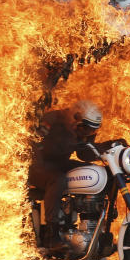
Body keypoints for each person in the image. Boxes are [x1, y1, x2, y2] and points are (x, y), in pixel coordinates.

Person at [28, 100, 107, 248]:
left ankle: (93, 224)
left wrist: (109, 147)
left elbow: (84, 153)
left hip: (59, 163)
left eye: (92, 131)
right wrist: (60, 146)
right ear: (76, 119)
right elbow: (33, 144)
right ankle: (52, 236)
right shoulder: (51, 120)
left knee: (95, 172)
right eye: (86, 129)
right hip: (36, 165)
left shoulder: (85, 129)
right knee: (57, 179)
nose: (87, 133)